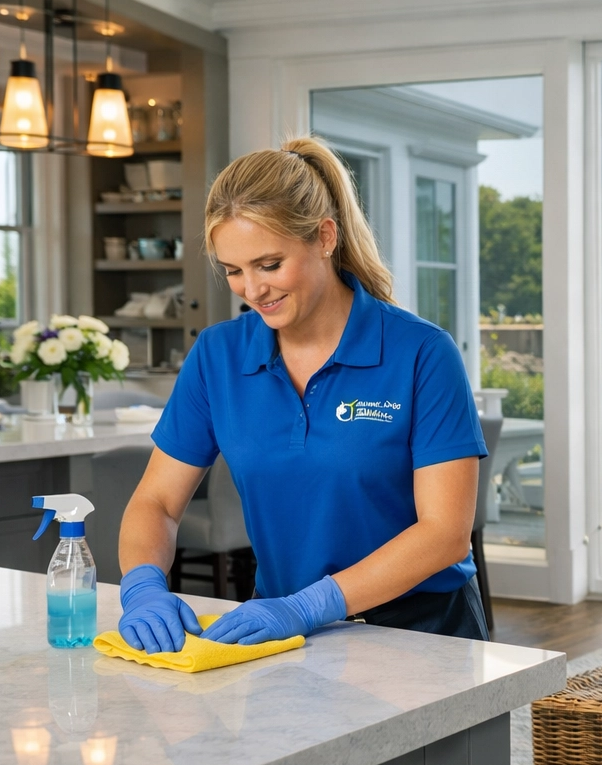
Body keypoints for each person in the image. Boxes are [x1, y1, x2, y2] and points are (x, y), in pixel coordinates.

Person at [116, 136, 488, 652]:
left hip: (421, 629)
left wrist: (310, 606)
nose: (252, 289)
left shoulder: (421, 352)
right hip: (280, 631)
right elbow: (156, 502)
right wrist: (142, 586)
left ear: (325, 237)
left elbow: (445, 532)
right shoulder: (218, 356)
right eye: (233, 271)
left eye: (269, 265)